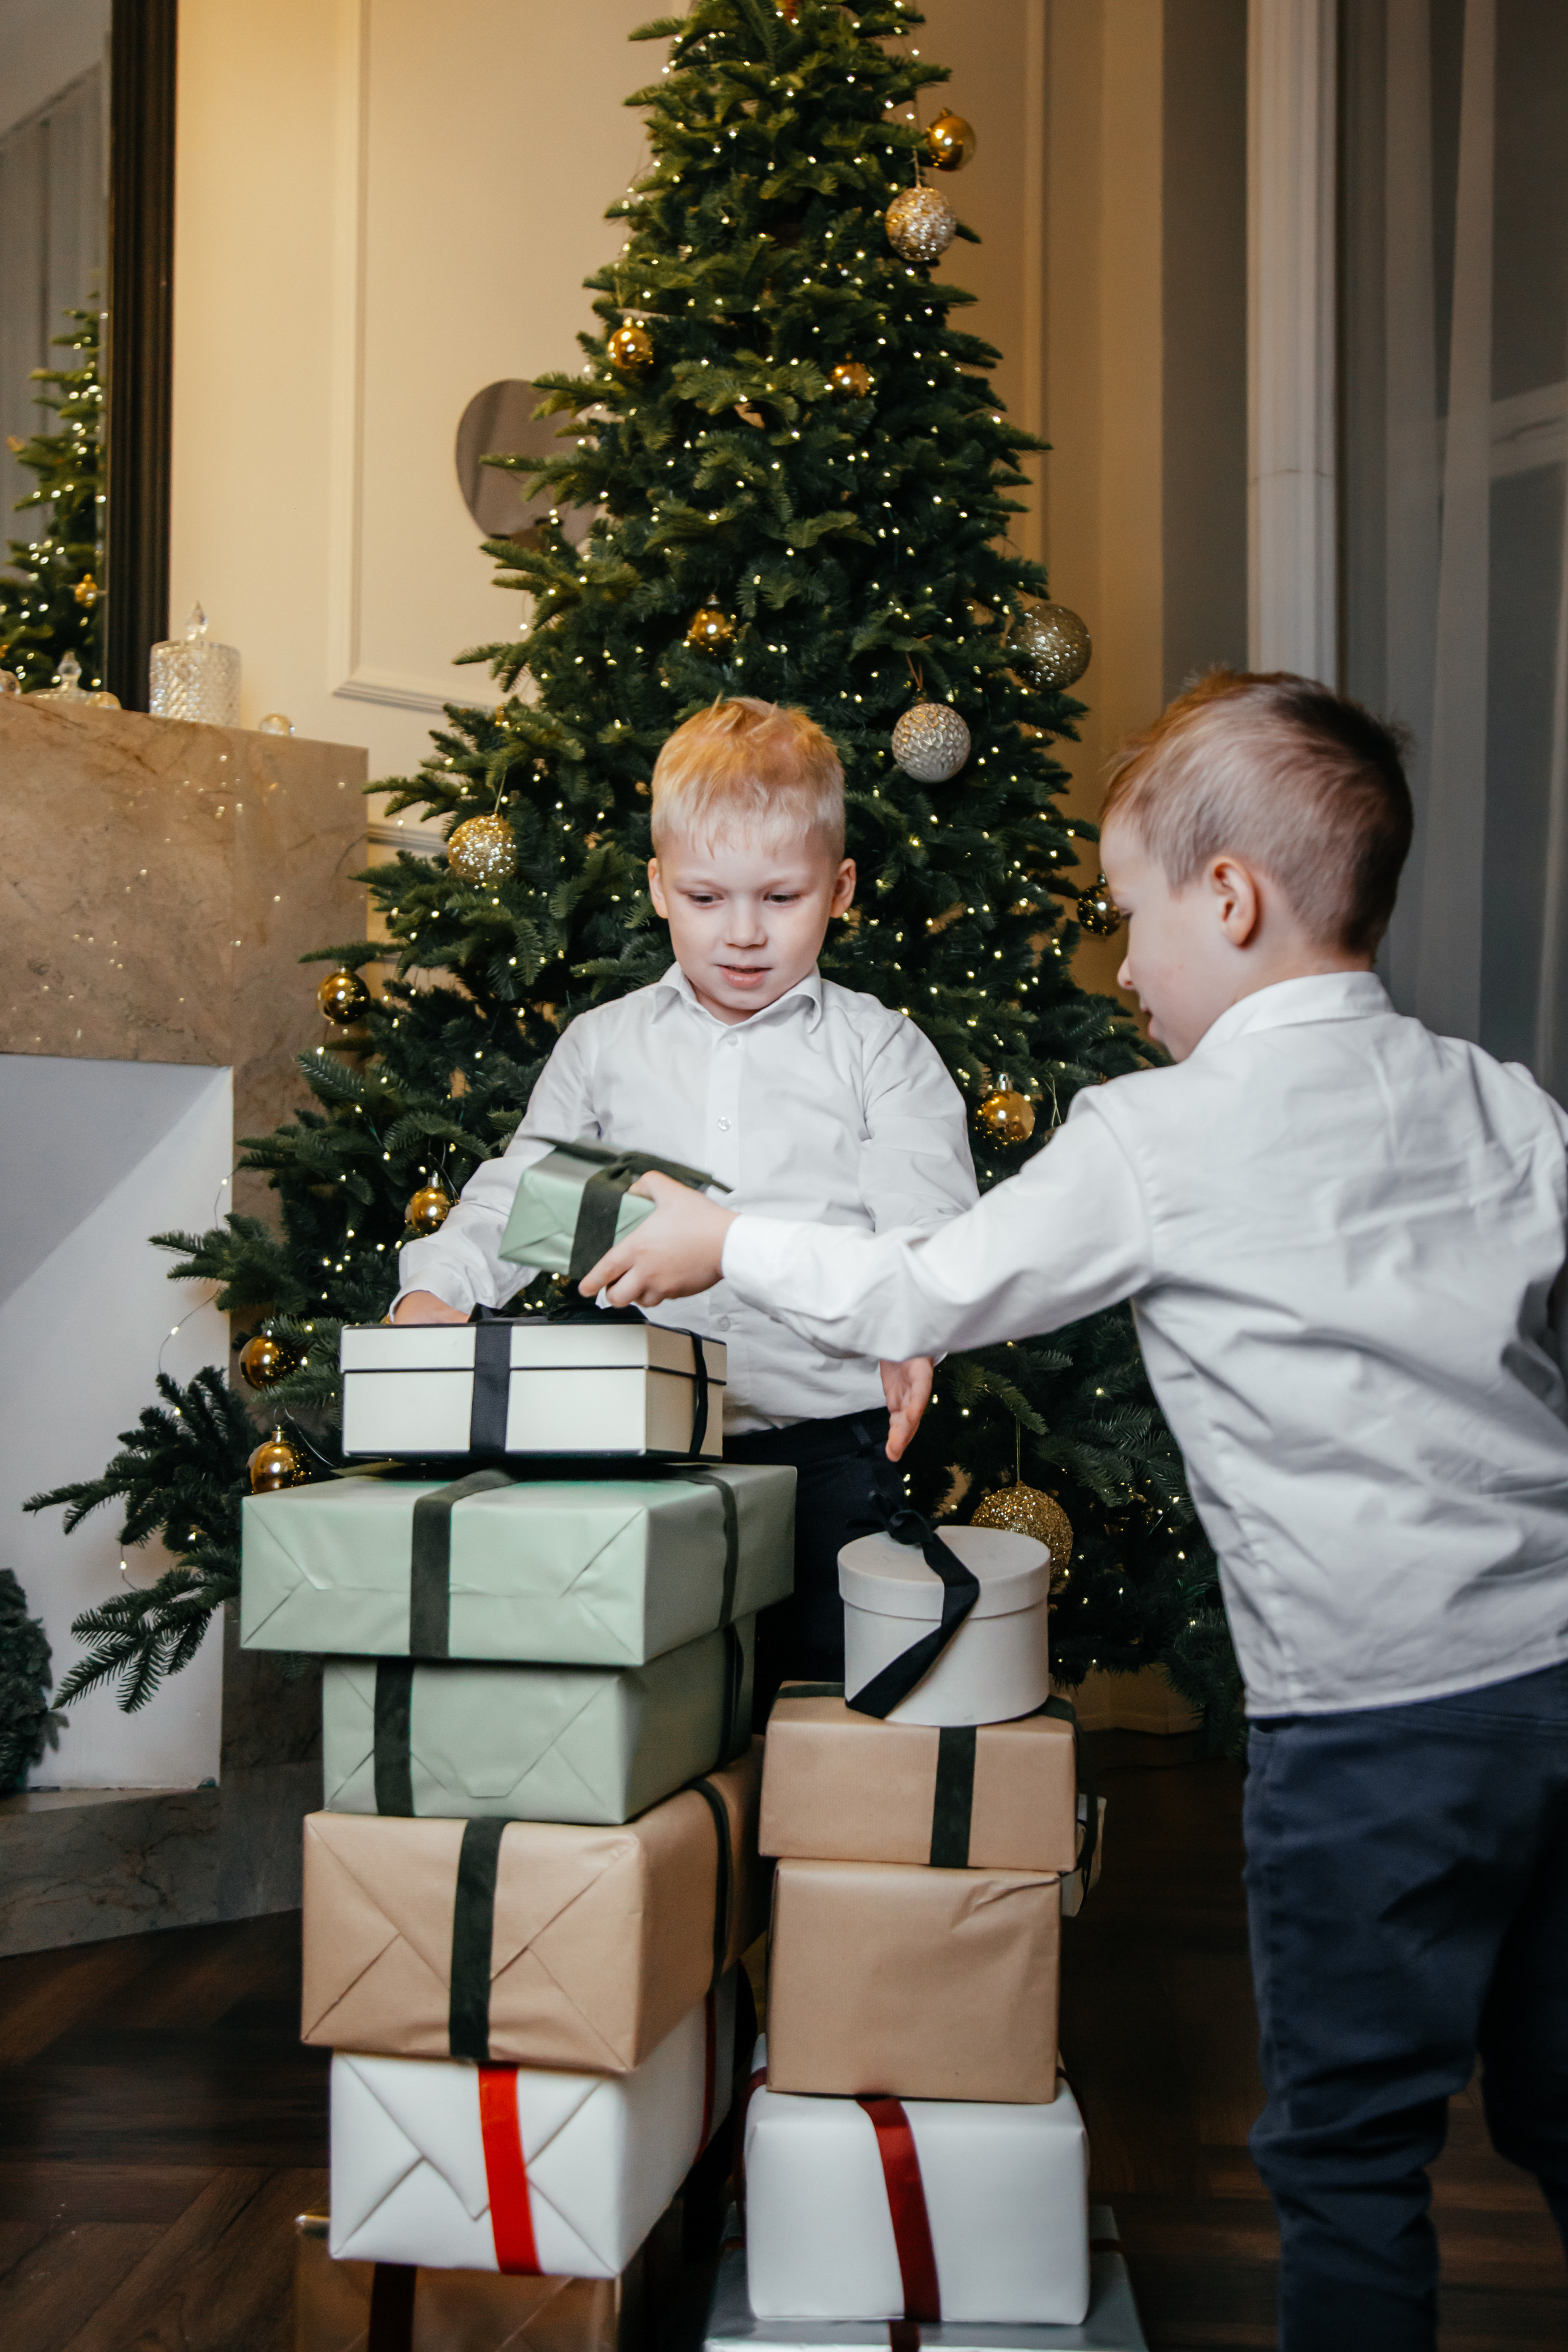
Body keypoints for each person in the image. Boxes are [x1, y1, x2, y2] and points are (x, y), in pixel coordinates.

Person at [578, 668, 1568, 2352]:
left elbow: (924, 1280)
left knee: (1350, 2154)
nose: (1122, 970)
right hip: (1552, 1677)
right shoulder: (1502, 1099)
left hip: (1369, 1730)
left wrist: (726, 1238)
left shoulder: (1153, 1136)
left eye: (1127, 917)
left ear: (1229, 900)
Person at [393, 694, 977, 1706]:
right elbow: (519, 1201)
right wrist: (433, 1292)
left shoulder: (880, 1050)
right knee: (657, 1706)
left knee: (820, 1704)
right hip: (639, 1447)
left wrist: (913, 1326)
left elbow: (925, 1233)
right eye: (707, 898)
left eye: (781, 897)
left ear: (839, 889)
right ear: (660, 887)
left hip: (828, 1451)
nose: (743, 934)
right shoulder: (607, 1049)